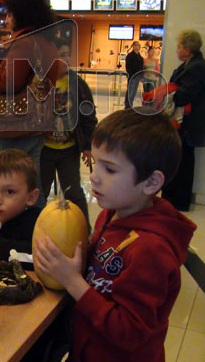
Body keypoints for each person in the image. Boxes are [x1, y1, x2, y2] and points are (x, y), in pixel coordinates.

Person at [33, 107, 196, 362]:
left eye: (109, 170)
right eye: (96, 164)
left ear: (151, 183)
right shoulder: (110, 215)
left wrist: (73, 281)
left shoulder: (150, 250)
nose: (94, 177)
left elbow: (129, 332)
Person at [0, 0, 58, 210]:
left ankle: (3, 228)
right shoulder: (47, 43)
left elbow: (10, 81)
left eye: (9, 13)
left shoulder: (24, 42)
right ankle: (35, 229)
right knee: (30, 185)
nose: (6, 18)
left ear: (20, 13)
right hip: (37, 123)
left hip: (14, 124)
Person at [40, 37, 97, 230]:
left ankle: (83, 230)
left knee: (74, 192)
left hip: (68, 150)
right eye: (59, 56)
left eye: (67, 55)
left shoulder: (78, 84)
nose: (64, 60)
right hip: (43, 149)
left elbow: (88, 116)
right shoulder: (40, 82)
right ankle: (37, 229)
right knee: (39, 192)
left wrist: (87, 145)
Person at [162, 29, 205, 211]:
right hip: (184, 123)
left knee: (183, 162)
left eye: (179, 47)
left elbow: (183, 95)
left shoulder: (196, 68)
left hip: (187, 125)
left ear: (187, 50)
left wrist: (169, 94)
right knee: (180, 160)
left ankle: (178, 201)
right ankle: (173, 198)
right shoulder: (190, 65)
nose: (176, 50)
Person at [124, 41, 144, 108]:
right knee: (130, 90)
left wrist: (141, 76)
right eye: (135, 45)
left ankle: (130, 103)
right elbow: (128, 67)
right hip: (132, 76)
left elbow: (141, 67)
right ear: (133, 46)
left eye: (138, 46)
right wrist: (131, 74)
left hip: (137, 76)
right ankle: (128, 104)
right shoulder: (130, 56)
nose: (136, 47)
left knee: (134, 91)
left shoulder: (139, 56)